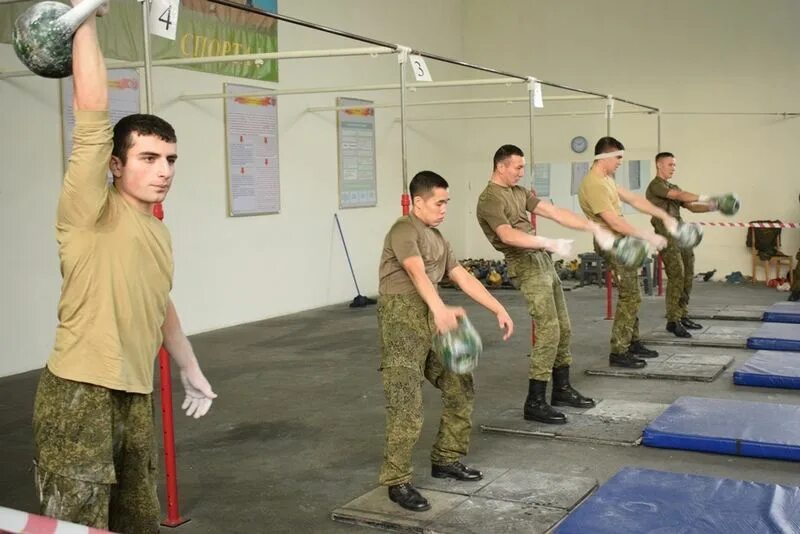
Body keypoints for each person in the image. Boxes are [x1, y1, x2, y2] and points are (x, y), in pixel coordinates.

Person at [32, 6, 217, 532]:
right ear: (116, 164)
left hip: (135, 393)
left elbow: (159, 302)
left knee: (138, 518)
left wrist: (189, 367)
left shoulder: (158, 231)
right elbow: (91, 109)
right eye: (149, 158)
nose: (163, 171)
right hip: (79, 390)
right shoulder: (87, 208)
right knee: (78, 522)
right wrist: (85, 19)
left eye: (170, 160)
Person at [377, 171, 514, 512]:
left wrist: (498, 307)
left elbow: (461, 275)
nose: (444, 209)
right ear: (418, 202)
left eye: (446, 202)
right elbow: (415, 272)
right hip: (401, 326)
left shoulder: (438, 237)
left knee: (459, 383)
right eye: (439, 202)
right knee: (406, 405)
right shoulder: (403, 231)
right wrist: (438, 307)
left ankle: (446, 459)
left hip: (431, 320)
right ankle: (397, 481)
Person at [476, 145, 615, 424]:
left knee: (563, 327)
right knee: (549, 330)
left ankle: (561, 389)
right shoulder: (489, 199)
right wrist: (548, 242)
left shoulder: (517, 192)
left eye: (523, 167)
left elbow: (553, 211)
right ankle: (535, 400)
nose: (521, 172)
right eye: (517, 167)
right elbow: (508, 235)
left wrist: (592, 226)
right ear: (500, 166)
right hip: (524, 263)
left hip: (541, 261)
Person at [577, 137, 678, 369]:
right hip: (611, 242)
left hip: (620, 241)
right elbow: (614, 222)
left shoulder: (607, 179)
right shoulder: (594, 184)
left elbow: (632, 199)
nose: (620, 162)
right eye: (618, 157)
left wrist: (661, 214)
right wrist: (648, 236)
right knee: (630, 295)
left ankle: (632, 342)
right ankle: (619, 351)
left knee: (632, 293)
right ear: (604, 157)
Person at [645, 152, 717, 337]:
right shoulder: (656, 186)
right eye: (670, 165)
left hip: (682, 235)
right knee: (677, 275)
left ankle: (682, 314)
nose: (673, 168)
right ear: (659, 165)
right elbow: (679, 195)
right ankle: (673, 320)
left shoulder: (673, 186)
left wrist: (713, 206)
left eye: (675, 165)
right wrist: (705, 196)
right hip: (666, 236)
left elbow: (691, 206)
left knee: (688, 275)